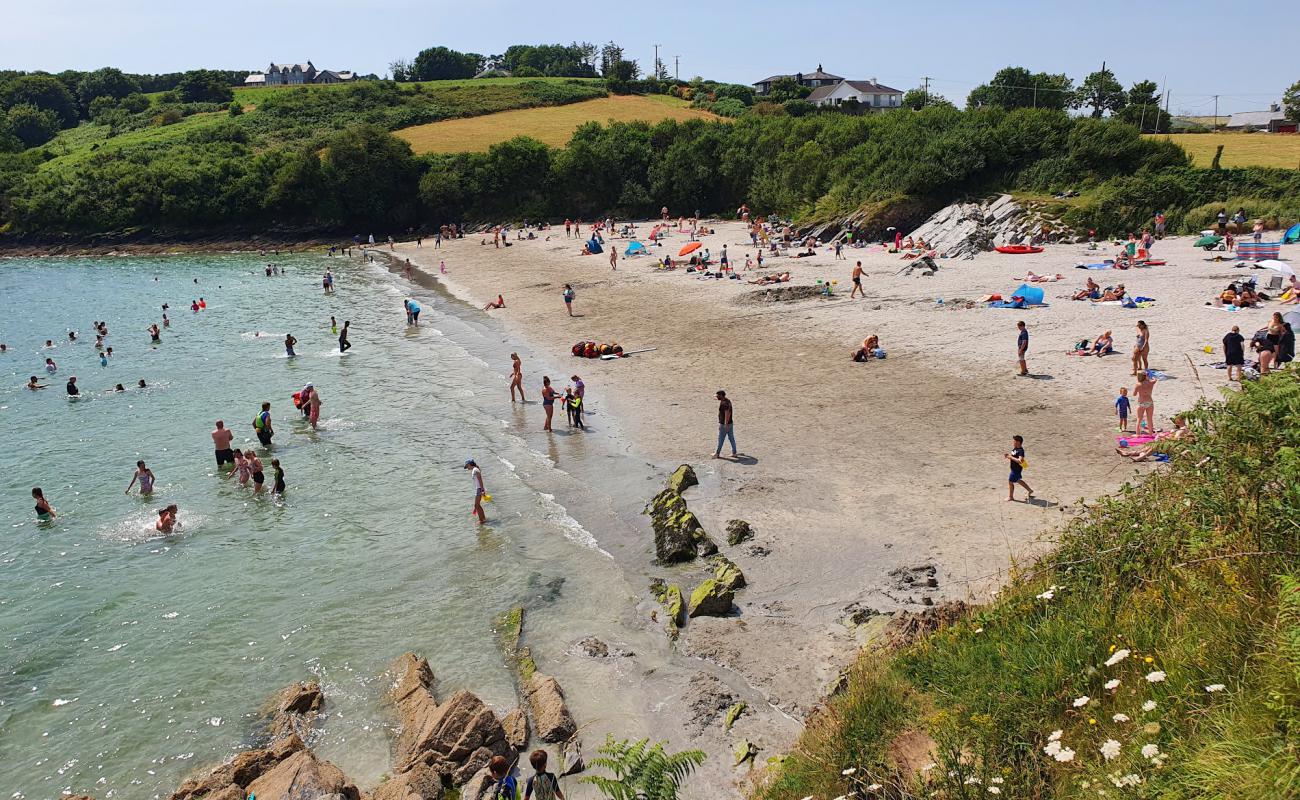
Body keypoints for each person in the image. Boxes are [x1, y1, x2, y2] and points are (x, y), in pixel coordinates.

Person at [1005, 435, 1033, 502]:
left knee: (1010, 481)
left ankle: (1011, 497)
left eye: (1014, 441)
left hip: (1016, 469)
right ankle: (1030, 490)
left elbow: (1020, 460)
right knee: (1018, 480)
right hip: (1013, 468)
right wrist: (1008, 456)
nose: (1013, 442)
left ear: (1018, 442)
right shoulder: (1015, 448)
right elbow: (1013, 455)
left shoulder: (1021, 451)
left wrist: (1010, 457)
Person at [713, 389, 737, 458]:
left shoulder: (724, 403)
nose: (716, 397)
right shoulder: (727, 400)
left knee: (720, 439)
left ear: (721, 395)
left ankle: (717, 453)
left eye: (717, 396)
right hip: (730, 423)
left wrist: (725, 424)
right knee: (731, 438)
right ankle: (734, 453)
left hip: (725, 424)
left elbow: (727, 413)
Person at [465, 459, 487, 524]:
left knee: (476, 505)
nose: (467, 468)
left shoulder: (475, 470)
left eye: (467, 466)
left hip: (479, 489)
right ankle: (483, 519)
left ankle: (481, 520)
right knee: (477, 505)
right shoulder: (475, 470)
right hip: (478, 489)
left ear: (469, 464)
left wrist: (482, 490)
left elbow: (480, 479)